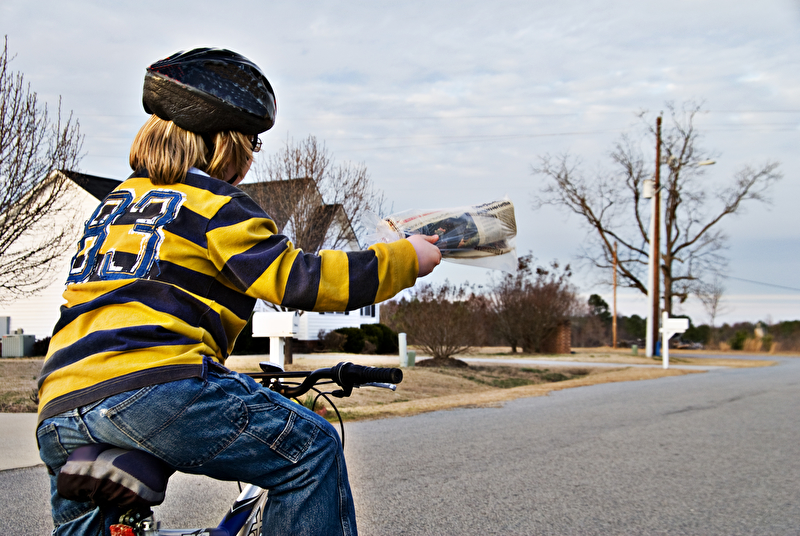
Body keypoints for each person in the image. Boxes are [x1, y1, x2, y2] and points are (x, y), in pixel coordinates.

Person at [36, 47, 441, 536]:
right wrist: (406, 258)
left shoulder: (114, 206)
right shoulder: (213, 203)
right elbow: (299, 279)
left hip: (58, 405)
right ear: (225, 142)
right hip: (156, 387)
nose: (251, 157)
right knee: (310, 451)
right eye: (253, 142)